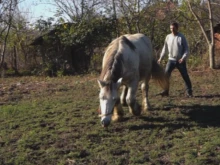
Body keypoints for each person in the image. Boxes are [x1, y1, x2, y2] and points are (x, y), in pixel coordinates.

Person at [157, 22, 193, 97]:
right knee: (166, 75)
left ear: (177, 28)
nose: (172, 30)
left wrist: (183, 58)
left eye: (173, 28)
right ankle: (165, 91)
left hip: (180, 61)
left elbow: (186, 49)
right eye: (170, 28)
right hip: (171, 60)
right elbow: (165, 48)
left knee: (185, 76)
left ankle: (189, 92)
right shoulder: (168, 37)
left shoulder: (181, 37)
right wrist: (160, 58)